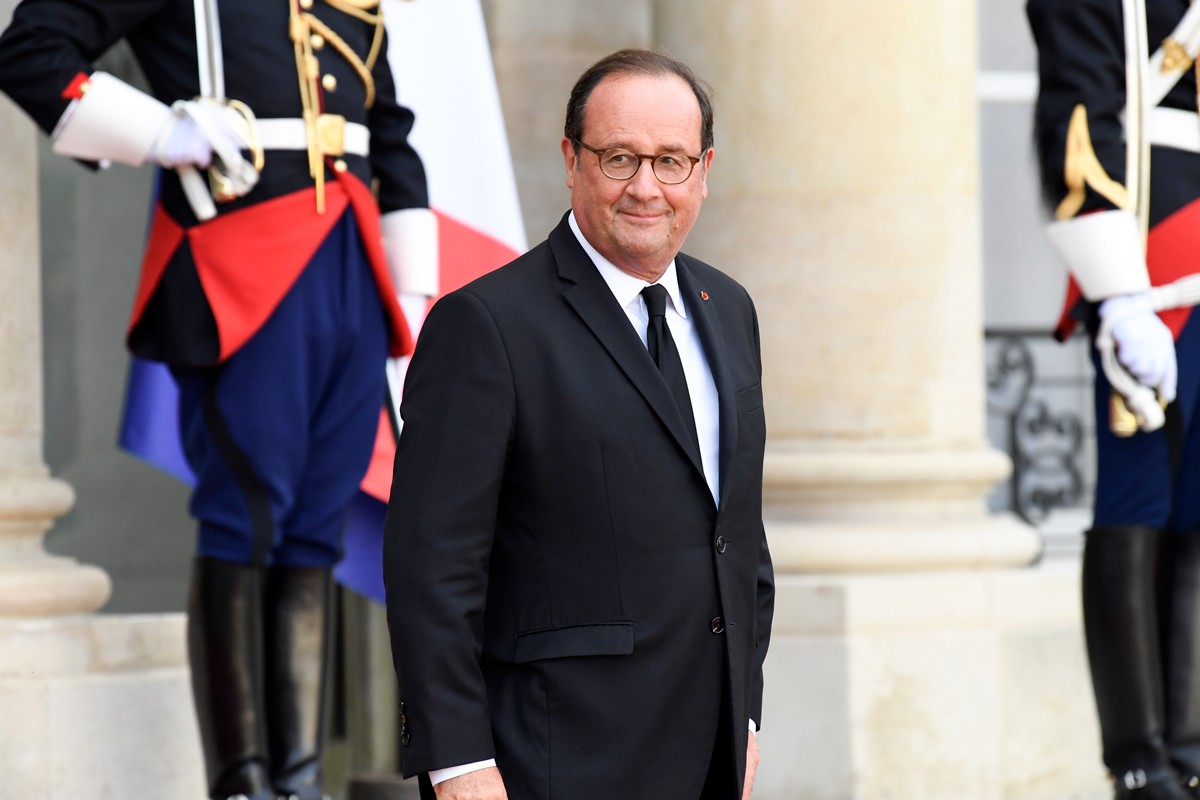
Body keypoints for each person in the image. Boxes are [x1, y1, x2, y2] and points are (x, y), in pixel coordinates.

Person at [0, 2, 437, 799]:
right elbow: (31, 50)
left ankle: (298, 778)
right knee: (248, 512)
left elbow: (389, 133)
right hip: (243, 260)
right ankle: (241, 779)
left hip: (351, 264)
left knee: (315, 525)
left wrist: (415, 298)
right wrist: (157, 130)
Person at [383, 48, 775, 800]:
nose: (645, 187)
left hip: (707, 756)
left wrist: (745, 716)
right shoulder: (486, 325)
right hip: (547, 762)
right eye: (619, 157)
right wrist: (458, 764)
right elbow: (431, 569)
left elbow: (739, 538)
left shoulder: (728, 310)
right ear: (571, 160)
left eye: (671, 161)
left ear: (704, 170)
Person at [1028, 1, 1200, 798]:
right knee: (1138, 501)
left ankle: (1190, 751)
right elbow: (1077, 118)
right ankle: (1138, 760)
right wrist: (1119, 291)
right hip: (1150, 262)